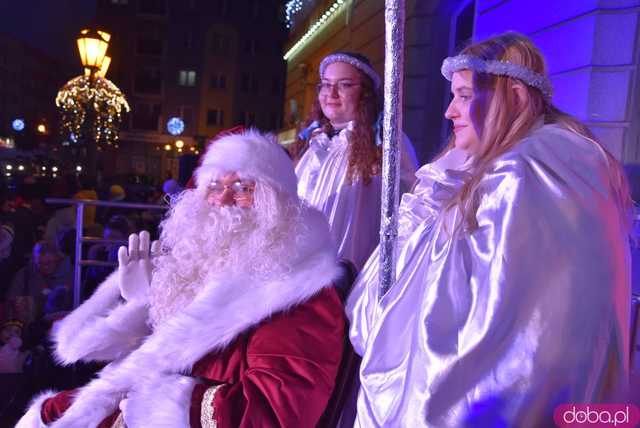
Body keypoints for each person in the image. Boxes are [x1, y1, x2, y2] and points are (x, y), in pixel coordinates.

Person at [346, 32, 632, 427]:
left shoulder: (523, 176)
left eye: (464, 95)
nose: (449, 112)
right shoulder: (546, 162)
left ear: (513, 97)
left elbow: (450, 321)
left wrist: (425, 213)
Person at [17, 130, 347, 428]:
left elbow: (275, 413)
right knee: (47, 413)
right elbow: (165, 349)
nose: (224, 199)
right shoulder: (206, 264)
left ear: (276, 203)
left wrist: (159, 406)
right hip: (134, 400)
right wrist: (143, 302)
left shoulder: (297, 288)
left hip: (167, 414)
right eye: (214, 187)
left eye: (243, 188)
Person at [294, 52, 418, 269]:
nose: (331, 93)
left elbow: (406, 206)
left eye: (344, 85)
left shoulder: (383, 142)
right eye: (325, 84)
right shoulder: (314, 144)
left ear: (365, 93)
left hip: (350, 273)